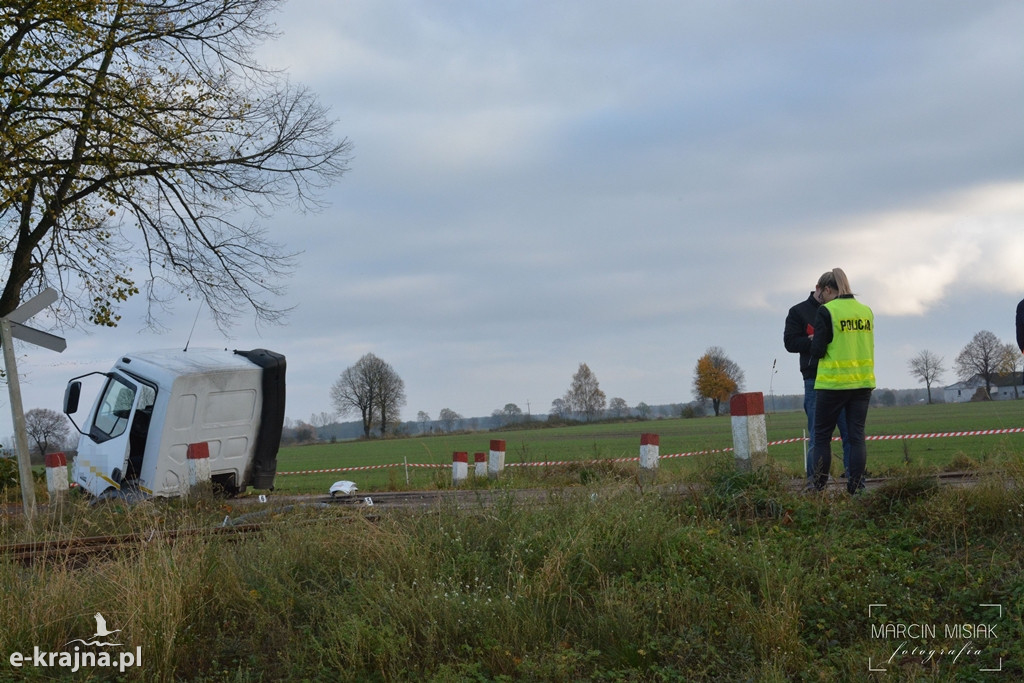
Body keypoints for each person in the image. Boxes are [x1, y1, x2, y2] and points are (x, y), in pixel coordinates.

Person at [809, 268, 875, 494]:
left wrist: (813, 341)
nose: (821, 300)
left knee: (821, 438)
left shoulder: (827, 311)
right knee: (856, 437)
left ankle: (817, 489)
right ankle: (856, 489)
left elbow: (818, 350)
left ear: (828, 290)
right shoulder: (866, 311)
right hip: (863, 383)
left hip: (833, 384)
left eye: (822, 295)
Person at [784, 273, 853, 486]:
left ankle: (854, 481)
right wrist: (813, 340)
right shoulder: (798, 312)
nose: (832, 299)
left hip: (842, 379)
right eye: (830, 294)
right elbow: (790, 343)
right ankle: (815, 484)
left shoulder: (839, 311)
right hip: (814, 379)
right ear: (820, 288)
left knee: (850, 435)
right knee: (817, 436)